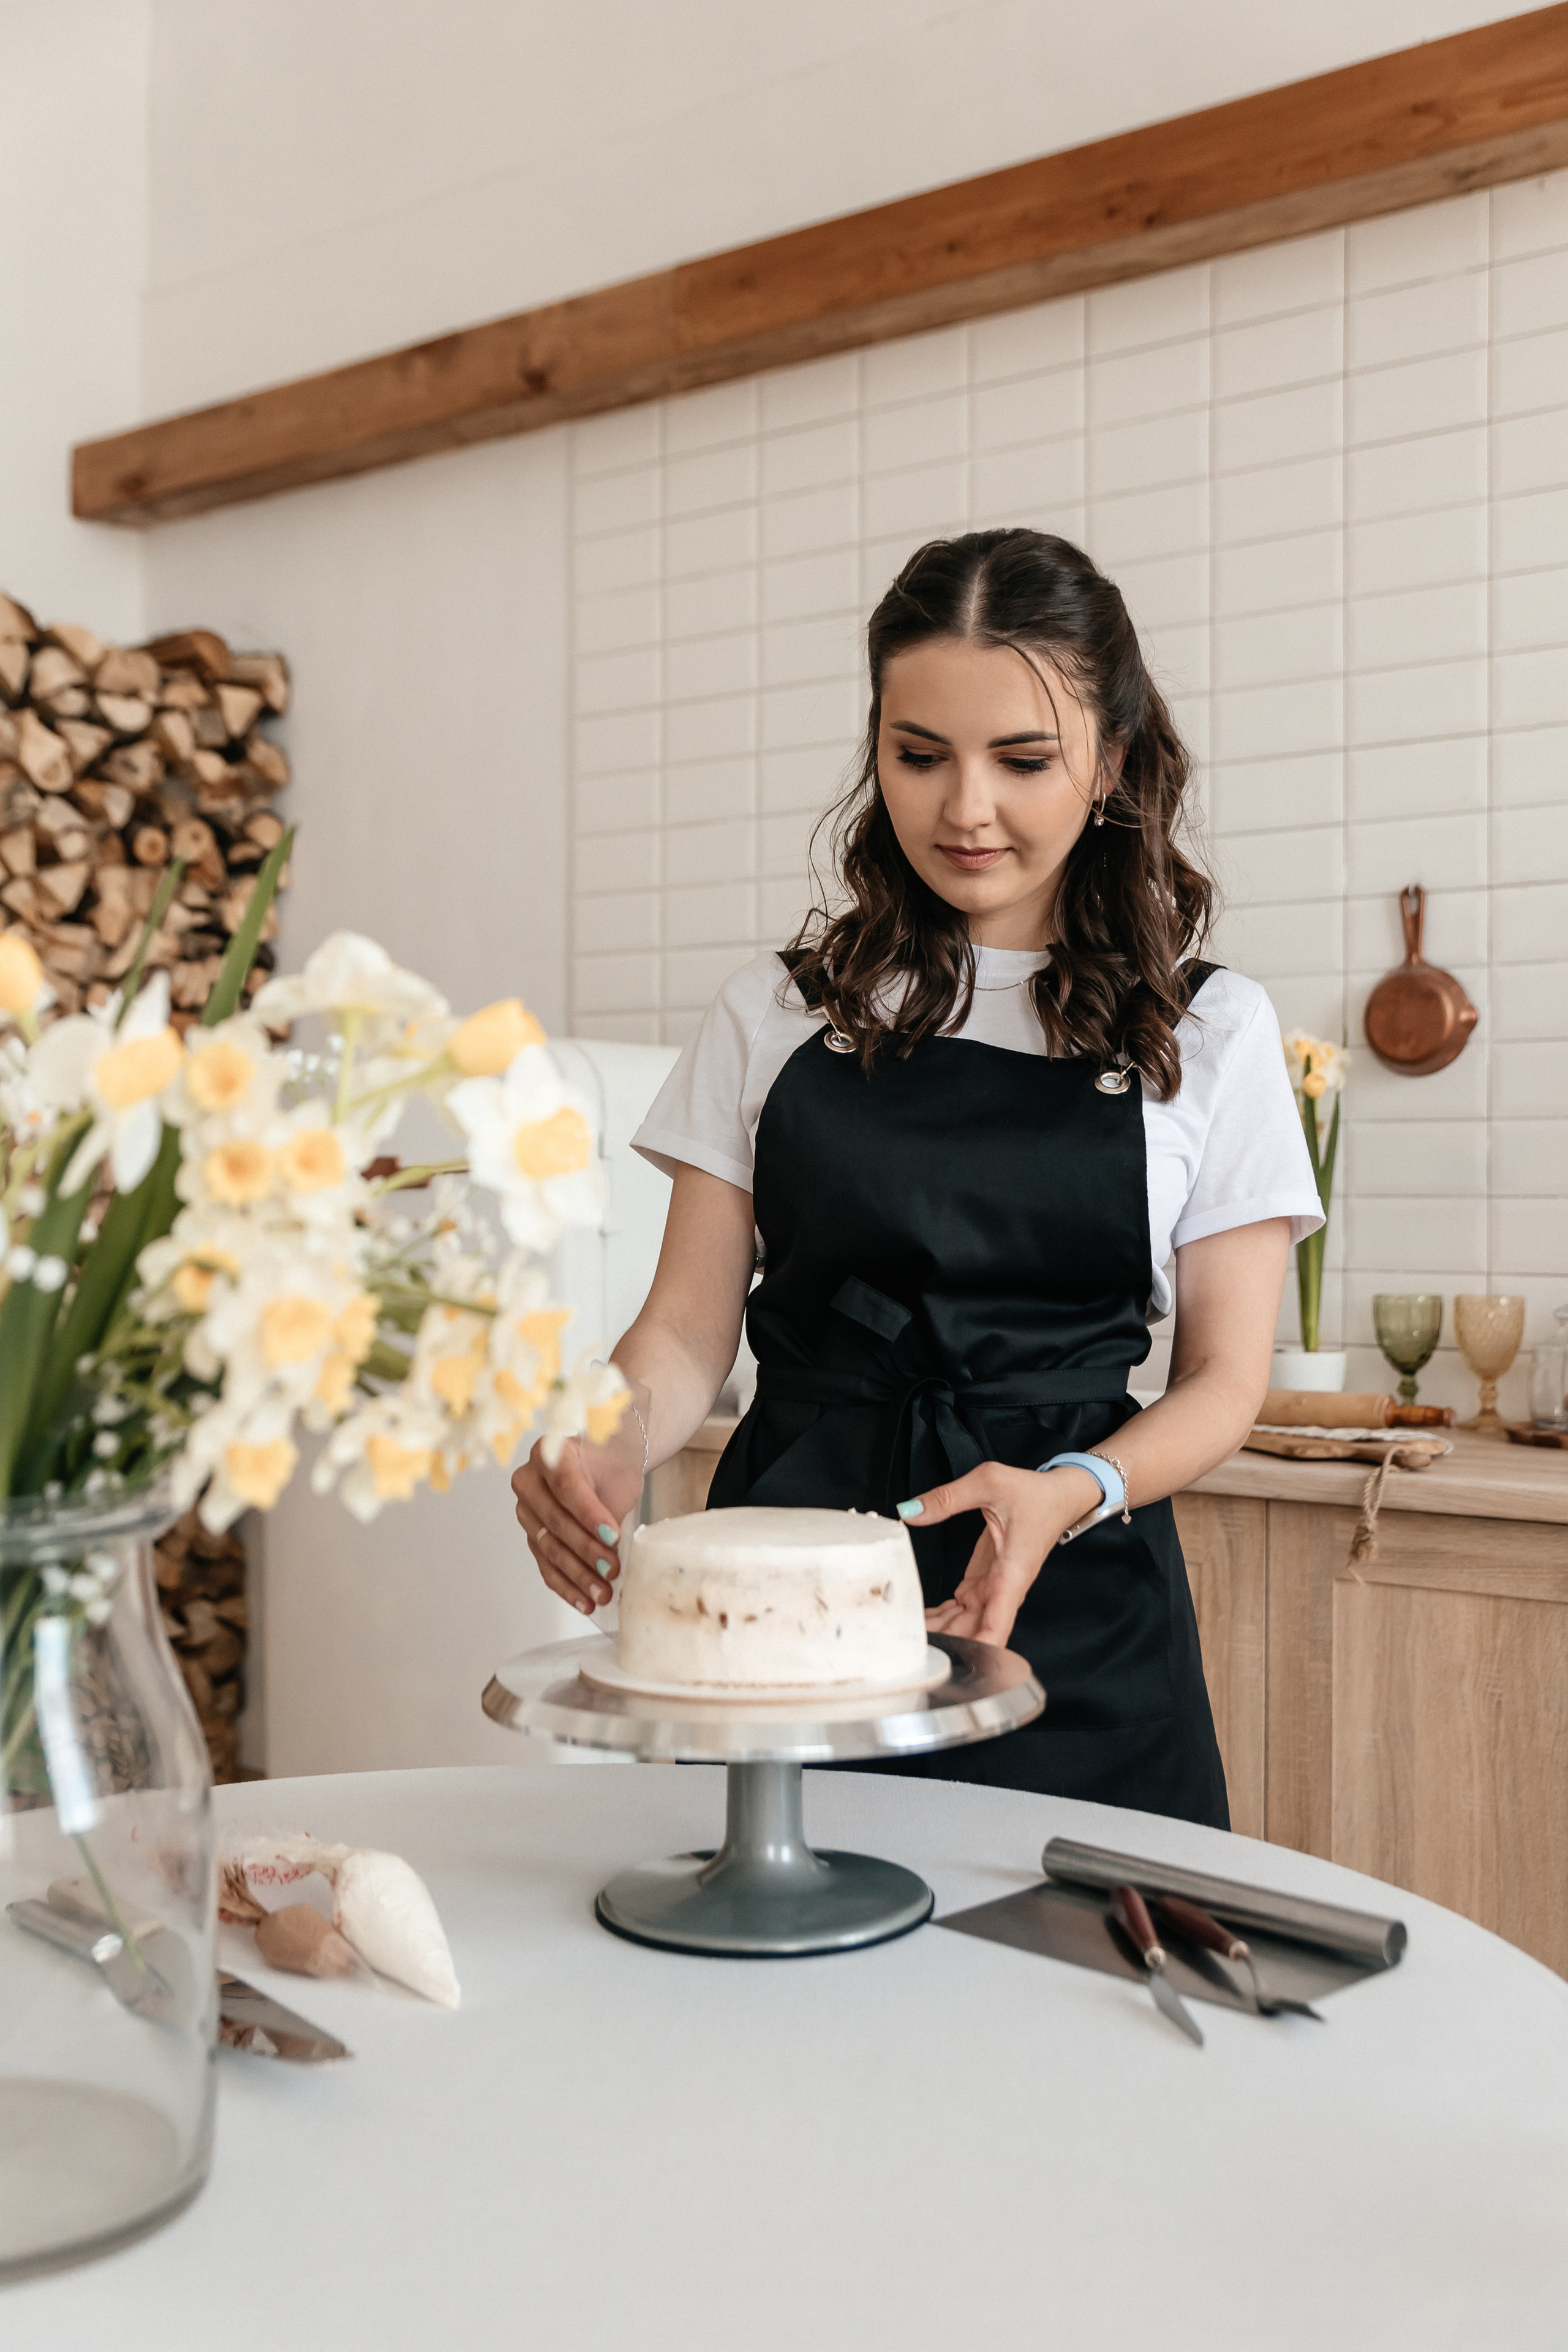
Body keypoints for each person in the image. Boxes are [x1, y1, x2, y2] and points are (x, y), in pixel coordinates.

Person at [513, 528, 1322, 1827]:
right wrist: (599, 1441)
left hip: (1069, 1598)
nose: (964, 809)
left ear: (1109, 761)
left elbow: (1226, 1380)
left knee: (1085, 1990)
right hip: (784, 1600)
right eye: (917, 754)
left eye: (1021, 759)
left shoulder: (1204, 1030)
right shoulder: (775, 1011)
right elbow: (680, 1331)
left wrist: (1074, 1490)